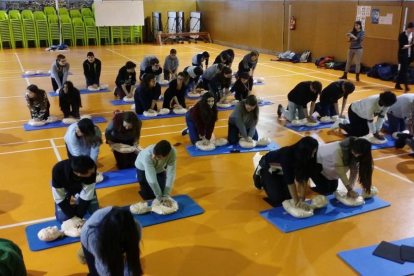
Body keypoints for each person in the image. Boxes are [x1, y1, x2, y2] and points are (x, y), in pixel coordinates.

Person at [254, 137, 318, 208]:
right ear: (304, 151)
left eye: (314, 152)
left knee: (288, 197)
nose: (312, 156)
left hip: (281, 171)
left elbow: (303, 178)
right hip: (268, 168)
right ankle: (260, 178)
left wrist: (302, 199)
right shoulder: (287, 156)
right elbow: (290, 181)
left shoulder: (305, 158)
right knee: (278, 198)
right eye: (312, 153)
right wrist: (297, 203)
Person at [81, 207, 143, 276]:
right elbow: (104, 268)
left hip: (110, 240)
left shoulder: (135, 227)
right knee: (95, 273)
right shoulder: (93, 237)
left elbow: (132, 259)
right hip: (90, 237)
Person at [51, 156, 99, 223]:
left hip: (81, 187)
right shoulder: (58, 171)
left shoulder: (91, 166)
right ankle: (73, 200)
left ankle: (77, 198)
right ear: (79, 174)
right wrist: (73, 217)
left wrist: (79, 216)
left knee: (95, 213)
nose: (94, 171)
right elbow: (59, 197)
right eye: (90, 172)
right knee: (62, 218)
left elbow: (87, 195)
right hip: (63, 187)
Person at [395, 22, 414, 92]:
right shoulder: (402, 35)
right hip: (403, 54)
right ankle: (406, 86)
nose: (412, 30)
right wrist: (411, 45)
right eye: (411, 29)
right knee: (405, 70)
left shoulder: (412, 35)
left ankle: (397, 84)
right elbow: (402, 46)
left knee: (403, 70)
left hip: (409, 55)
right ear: (408, 28)